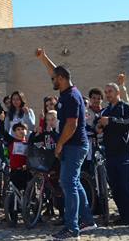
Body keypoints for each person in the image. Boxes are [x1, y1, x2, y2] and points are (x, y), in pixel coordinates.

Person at [36, 47, 96, 239]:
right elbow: (55, 70)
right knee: (74, 183)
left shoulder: (70, 97)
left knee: (68, 183)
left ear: (61, 79)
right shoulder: (69, 90)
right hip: (74, 145)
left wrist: (60, 144)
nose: (51, 80)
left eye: (54, 79)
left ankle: (72, 227)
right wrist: (44, 58)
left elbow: (72, 124)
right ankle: (87, 219)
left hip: (74, 145)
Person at [97, 82, 129, 229]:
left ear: (117, 92)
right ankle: (124, 216)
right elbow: (100, 126)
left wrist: (111, 121)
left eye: (110, 91)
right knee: (115, 188)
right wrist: (100, 127)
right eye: (106, 92)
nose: (107, 94)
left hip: (125, 152)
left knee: (127, 187)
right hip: (110, 153)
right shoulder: (105, 110)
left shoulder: (126, 107)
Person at [0, 121, 31, 224]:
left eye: (22, 129)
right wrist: (1, 121)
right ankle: (12, 214)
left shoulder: (29, 143)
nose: (21, 131)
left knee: (28, 193)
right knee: (14, 193)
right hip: (14, 171)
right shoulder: (11, 141)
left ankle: (30, 213)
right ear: (14, 132)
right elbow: (3, 132)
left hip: (26, 171)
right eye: (18, 130)